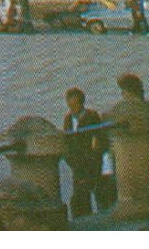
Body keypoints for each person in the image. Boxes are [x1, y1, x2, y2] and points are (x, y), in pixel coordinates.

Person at [62, 87, 104, 218]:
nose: (72, 109)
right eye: (70, 106)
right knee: (79, 199)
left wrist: (94, 158)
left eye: (75, 105)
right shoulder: (68, 119)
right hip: (77, 164)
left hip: (92, 162)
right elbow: (67, 141)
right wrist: (72, 161)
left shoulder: (92, 116)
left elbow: (99, 139)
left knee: (99, 193)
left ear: (81, 103)